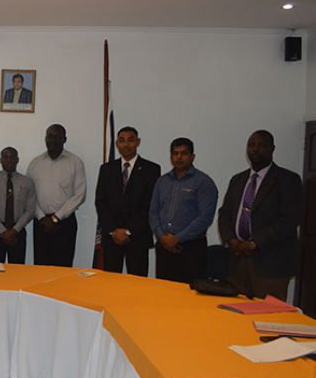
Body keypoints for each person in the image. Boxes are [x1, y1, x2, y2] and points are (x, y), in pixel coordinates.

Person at [217, 130, 302, 300]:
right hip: (238, 261)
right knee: (235, 317)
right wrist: (231, 240)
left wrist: (255, 242)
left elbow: (289, 220)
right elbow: (225, 213)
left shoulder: (287, 179)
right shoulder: (238, 180)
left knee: (269, 318)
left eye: (262, 145)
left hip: (271, 264)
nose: (255, 149)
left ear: (272, 149)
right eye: (251, 145)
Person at [149, 137, 218, 284]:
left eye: (183, 153)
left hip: (191, 249)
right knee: (163, 293)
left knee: (188, 296)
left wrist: (177, 238)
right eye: (175, 153)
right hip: (164, 247)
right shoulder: (162, 181)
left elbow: (205, 217)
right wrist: (162, 237)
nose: (179, 157)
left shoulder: (203, 182)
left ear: (192, 156)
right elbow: (153, 213)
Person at [94, 126, 161, 276]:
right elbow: (100, 202)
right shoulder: (106, 169)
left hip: (138, 237)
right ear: (117, 144)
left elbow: (150, 205)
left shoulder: (152, 169)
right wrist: (114, 231)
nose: (126, 144)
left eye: (131, 140)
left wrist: (128, 231)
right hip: (112, 238)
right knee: (110, 284)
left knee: (137, 285)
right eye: (122, 141)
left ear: (138, 142)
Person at [27, 124, 86, 266]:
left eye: (57, 136)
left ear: (64, 139)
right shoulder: (35, 163)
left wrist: (55, 218)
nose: (52, 140)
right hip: (41, 223)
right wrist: (41, 217)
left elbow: (80, 195)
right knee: (41, 266)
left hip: (64, 224)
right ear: (45, 138)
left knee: (63, 266)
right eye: (49, 136)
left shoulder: (75, 162)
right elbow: (28, 194)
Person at [0, 147, 36, 264]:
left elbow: (30, 210)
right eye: (5, 157)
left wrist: (14, 230)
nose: (9, 160)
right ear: (0, 160)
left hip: (18, 232)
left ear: (17, 160)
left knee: (17, 273)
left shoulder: (27, 182)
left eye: (12, 157)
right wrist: (3, 231)